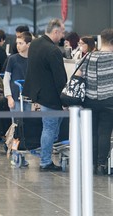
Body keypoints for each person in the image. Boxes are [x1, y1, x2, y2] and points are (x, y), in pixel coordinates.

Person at [23, 18, 67, 171]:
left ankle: (45, 153)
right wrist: (65, 99)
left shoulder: (35, 43)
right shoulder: (53, 50)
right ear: (55, 31)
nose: (63, 36)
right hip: (51, 96)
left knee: (49, 127)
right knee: (49, 128)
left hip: (38, 92)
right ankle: (45, 162)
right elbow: (60, 78)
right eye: (62, 32)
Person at [76, 28, 113, 175]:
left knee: (91, 133)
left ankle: (90, 164)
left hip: (89, 100)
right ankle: (101, 165)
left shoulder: (88, 56)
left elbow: (77, 75)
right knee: (104, 132)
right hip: (109, 100)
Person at [3, 31, 33, 114]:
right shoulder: (12, 59)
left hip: (29, 97)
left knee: (28, 124)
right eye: (17, 43)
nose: (18, 46)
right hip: (15, 97)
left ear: (28, 44)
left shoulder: (33, 60)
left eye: (21, 43)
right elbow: (6, 78)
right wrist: (9, 97)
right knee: (17, 123)